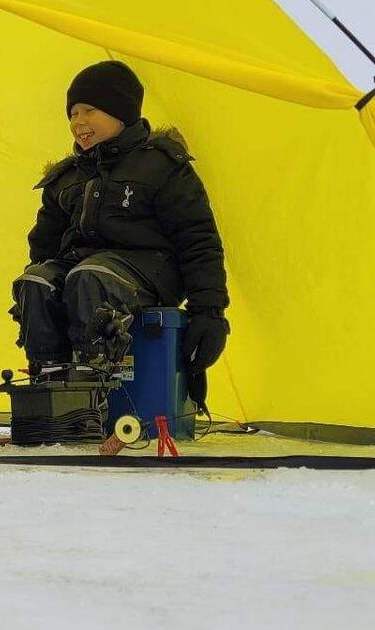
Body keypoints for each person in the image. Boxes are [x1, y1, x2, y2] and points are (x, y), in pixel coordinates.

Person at [12, 60, 230, 402]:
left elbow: (197, 239)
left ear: (121, 112)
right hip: (85, 273)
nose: (78, 122)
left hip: (148, 273)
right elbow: (44, 246)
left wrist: (210, 312)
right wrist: (40, 300)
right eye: (72, 113)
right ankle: (50, 384)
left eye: (89, 110)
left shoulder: (160, 166)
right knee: (36, 281)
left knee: (90, 277)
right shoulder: (68, 177)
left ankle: (93, 385)